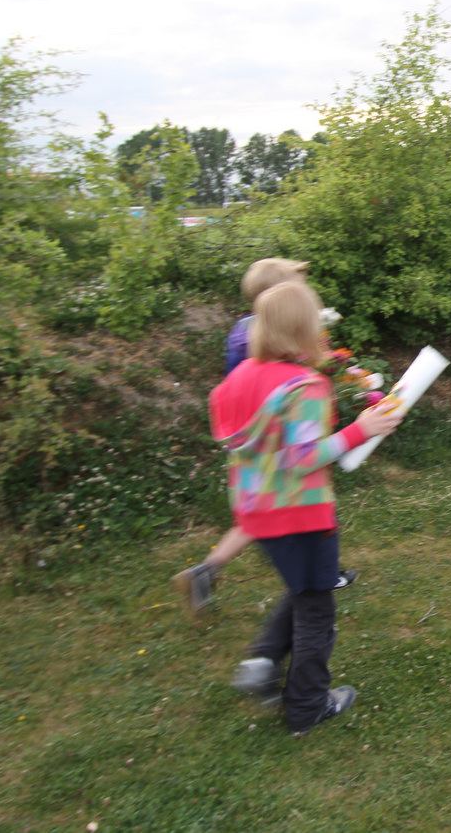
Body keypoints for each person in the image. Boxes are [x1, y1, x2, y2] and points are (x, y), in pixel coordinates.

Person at [209, 281, 405, 735]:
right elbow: (302, 458)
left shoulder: (239, 378)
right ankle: (307, 705)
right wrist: (361, 430)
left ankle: (262, 663)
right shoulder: (306, 387)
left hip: (257, 514)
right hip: (301, 515)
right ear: (303, 330)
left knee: (303, 590)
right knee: (316, 609)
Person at [174, 257, 357, 612]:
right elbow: (281, 380)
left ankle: (208, 570)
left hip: (254, 443)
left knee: (255, 517)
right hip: (275, 438)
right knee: (287, 512)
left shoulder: (246, 330)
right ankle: (317, 577)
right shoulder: (262, 335)